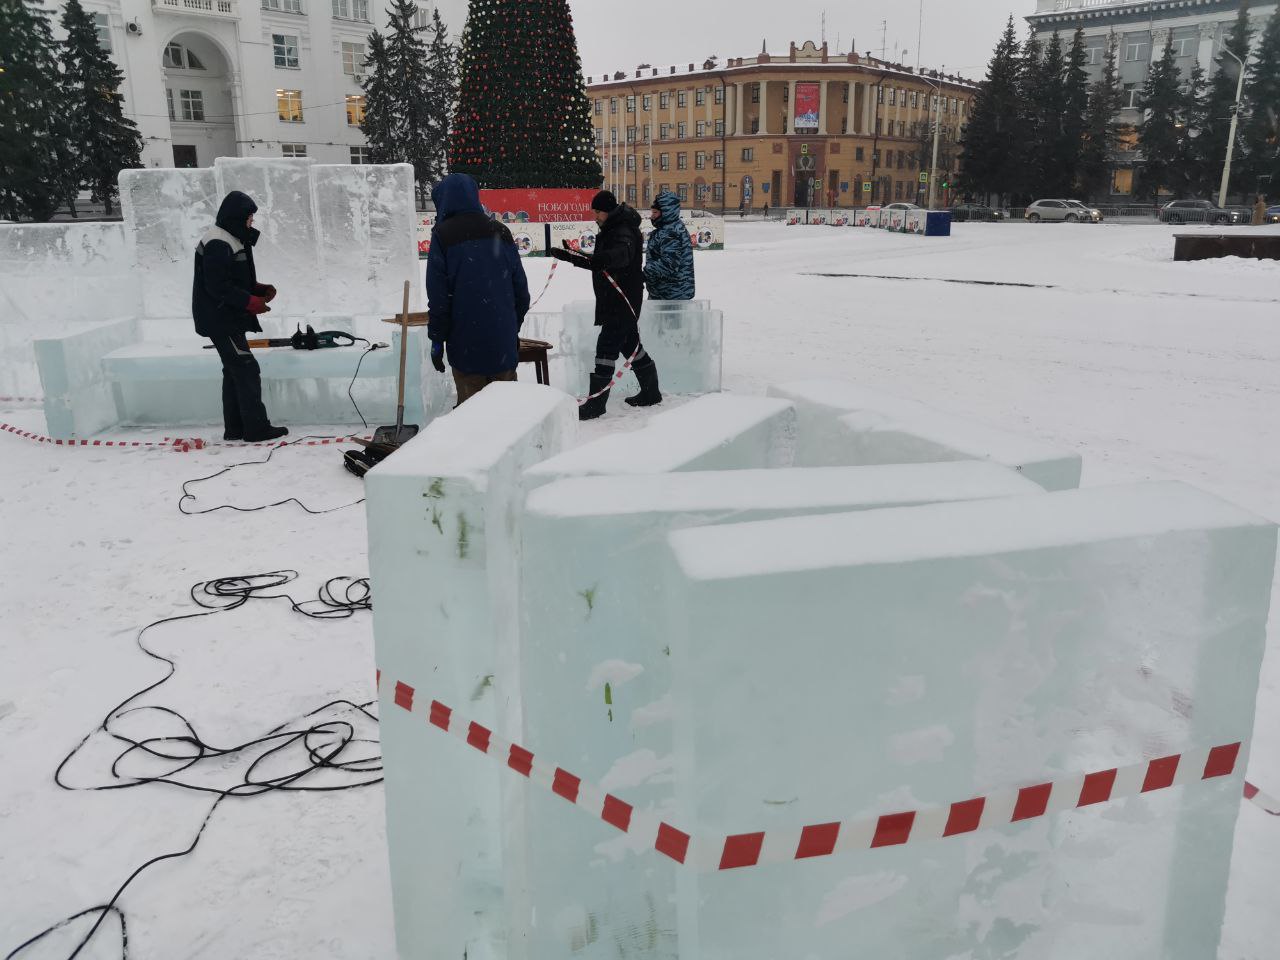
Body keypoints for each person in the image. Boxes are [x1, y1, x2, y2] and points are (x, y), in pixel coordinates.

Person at [549, 190, 659, 420]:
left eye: (598, 212)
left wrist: (598, 258)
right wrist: (570, 256)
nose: (595, 216)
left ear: (607, 211)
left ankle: (596, 405)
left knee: (606, 350)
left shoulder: (623, 230)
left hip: (622, 301)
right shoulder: (613, 228)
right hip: (617, 299)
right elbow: (600, 263)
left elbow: (620, 256)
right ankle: (651, 393)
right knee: (630, 347)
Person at [426, 173, 531, 406]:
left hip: (465, 346)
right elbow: (521, 291)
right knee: (506, 414)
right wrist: (510, 325)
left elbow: (439, 298)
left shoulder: (443, 235)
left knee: (473, 420)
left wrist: (437, 338)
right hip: (502, 344)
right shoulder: (501, 231)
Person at [192, 190, 288, 443]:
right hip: (221, 320)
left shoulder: (231, 238)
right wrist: (250, 302)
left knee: (234, 369)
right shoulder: (218, 242)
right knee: (246, 369)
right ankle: (256, 429)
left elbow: (234, 278)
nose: (252, 223)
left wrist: (258, 290)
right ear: (236, 217)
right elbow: (217, 286)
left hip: (226, 317)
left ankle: (235, 428)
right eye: (249, 218)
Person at [644, 190, 694, 302]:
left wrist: (645, 273)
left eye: (655, 213)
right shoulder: (668, 229)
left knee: (666, 320)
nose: (652, 217)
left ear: (667, 212)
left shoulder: (671, 233)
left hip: (672, 296)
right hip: (666, 293)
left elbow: (668, 264)